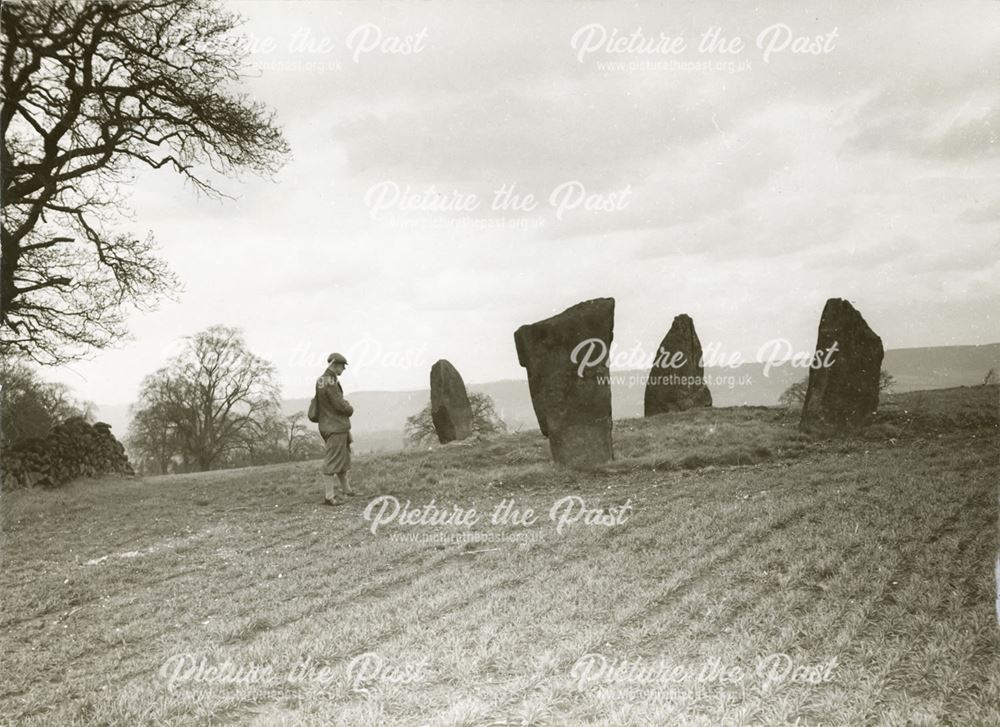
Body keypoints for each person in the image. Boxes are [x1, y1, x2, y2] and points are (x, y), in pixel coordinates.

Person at [316, 352, 356, 505]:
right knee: (333, 460)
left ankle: (347, 489)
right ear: (334, 364)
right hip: (336, 426)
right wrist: (349, 408)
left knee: (343, 457)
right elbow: (339, 405)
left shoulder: (320, 380)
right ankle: (329, 496)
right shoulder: (331, 381)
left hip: (328, 424)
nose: (343, 369)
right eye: (342, 366)